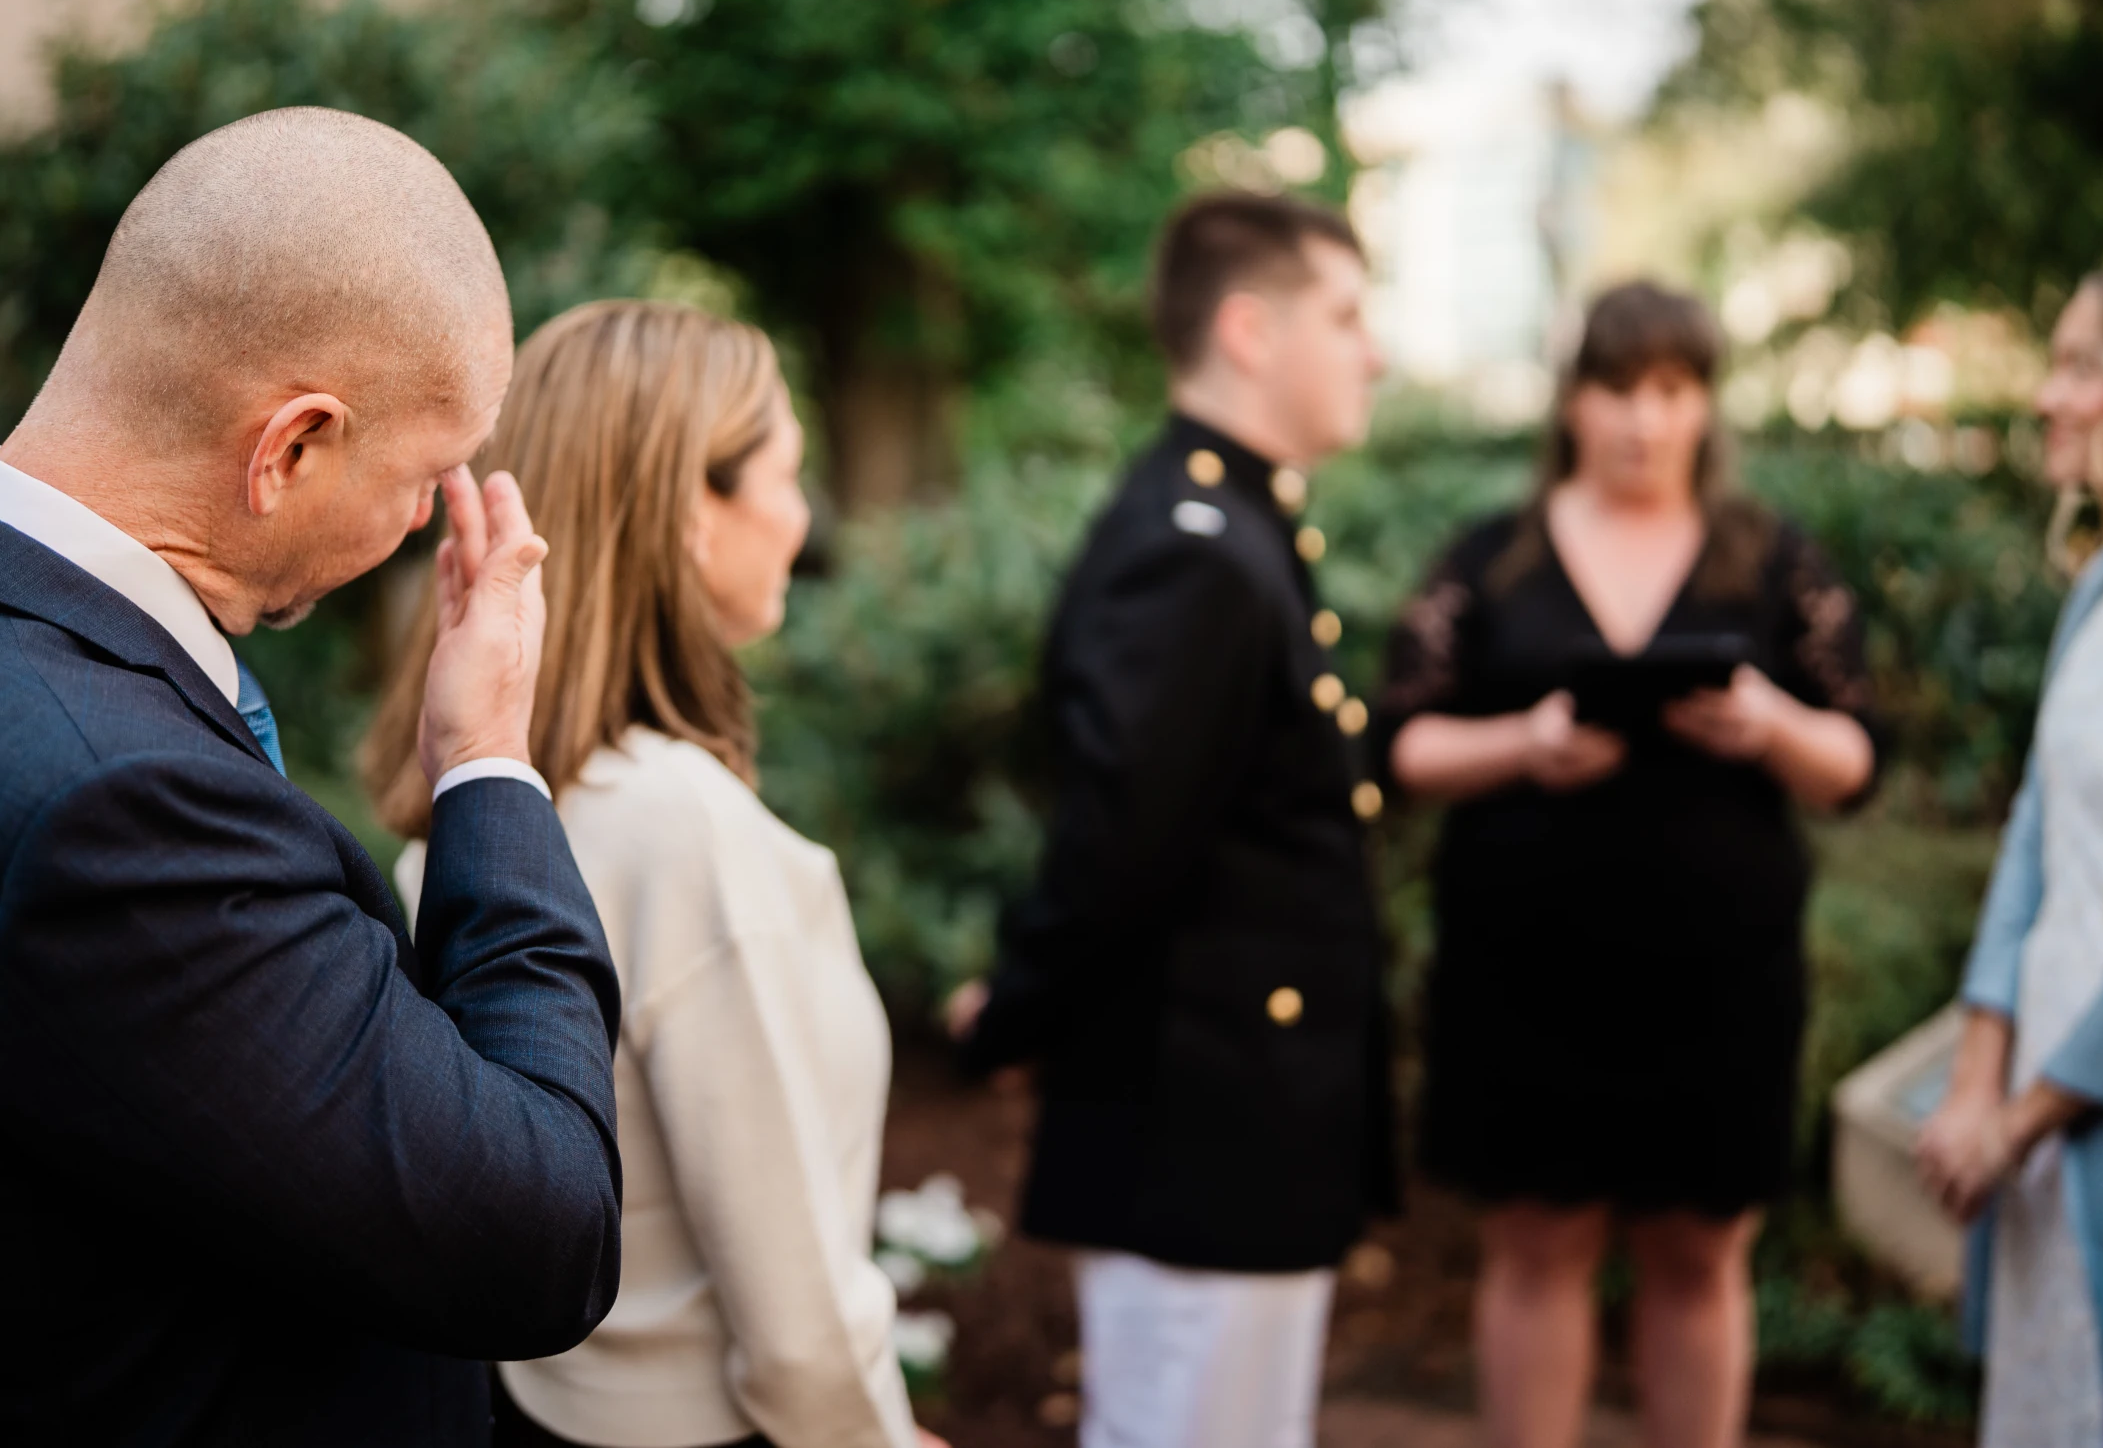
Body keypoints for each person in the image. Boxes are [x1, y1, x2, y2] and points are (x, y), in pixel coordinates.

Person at [0, 109, 622, 1447]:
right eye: (427, 472)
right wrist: (489, 759)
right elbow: (539, 1226)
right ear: (290, 447)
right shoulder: (110, 809)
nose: (423, 521)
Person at [365, 300, 946, 1448]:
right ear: (693, 509)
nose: (801, 515)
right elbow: (791, 1319)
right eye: (786, 472)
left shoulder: (478, 813)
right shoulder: (678, 826)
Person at [1374, 282, 1878, 1448]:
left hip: (1718, 980)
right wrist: (1524, 743)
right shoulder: (1489, 559)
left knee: (1701, 1249)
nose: (1641, 420)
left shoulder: (1773, 560)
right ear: (1572, 402)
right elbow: (1402, 742)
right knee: (1536, 1243)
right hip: (1525, 975)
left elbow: (1856, 757)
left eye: (1669, 390)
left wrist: (1768, 725)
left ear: (1704, 405)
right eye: (1615, 389)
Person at [947, 191, 1397, 1448]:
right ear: (1250, 331)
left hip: (1239, 1117)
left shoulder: (1235, 521)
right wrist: (1018, 1014)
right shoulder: (1196, 545)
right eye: (1348, 316)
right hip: (1201, 1121)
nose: (1377, 349)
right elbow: (1122, 843)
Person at [1915, 255, 2103, 1448]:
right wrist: (1978, 1076)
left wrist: (2022, 1114)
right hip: (2034, 1127)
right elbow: (2035, 833)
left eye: (2086, 366)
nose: (2048, 397)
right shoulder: (2100, 590)